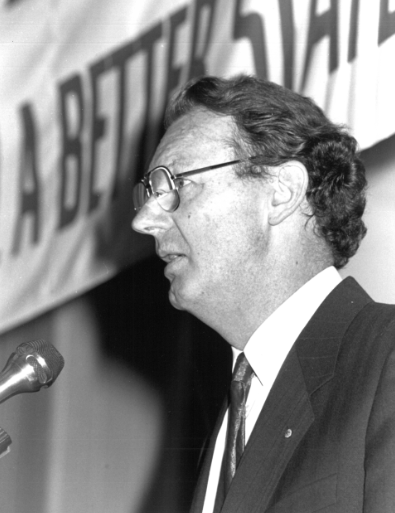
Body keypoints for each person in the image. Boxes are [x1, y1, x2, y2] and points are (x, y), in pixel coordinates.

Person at [132, 75, 395, 513]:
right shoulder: (231, 423)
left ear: (281, 192)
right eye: (148, 194)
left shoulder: (386, 359)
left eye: (175, 184)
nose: (144, 220)